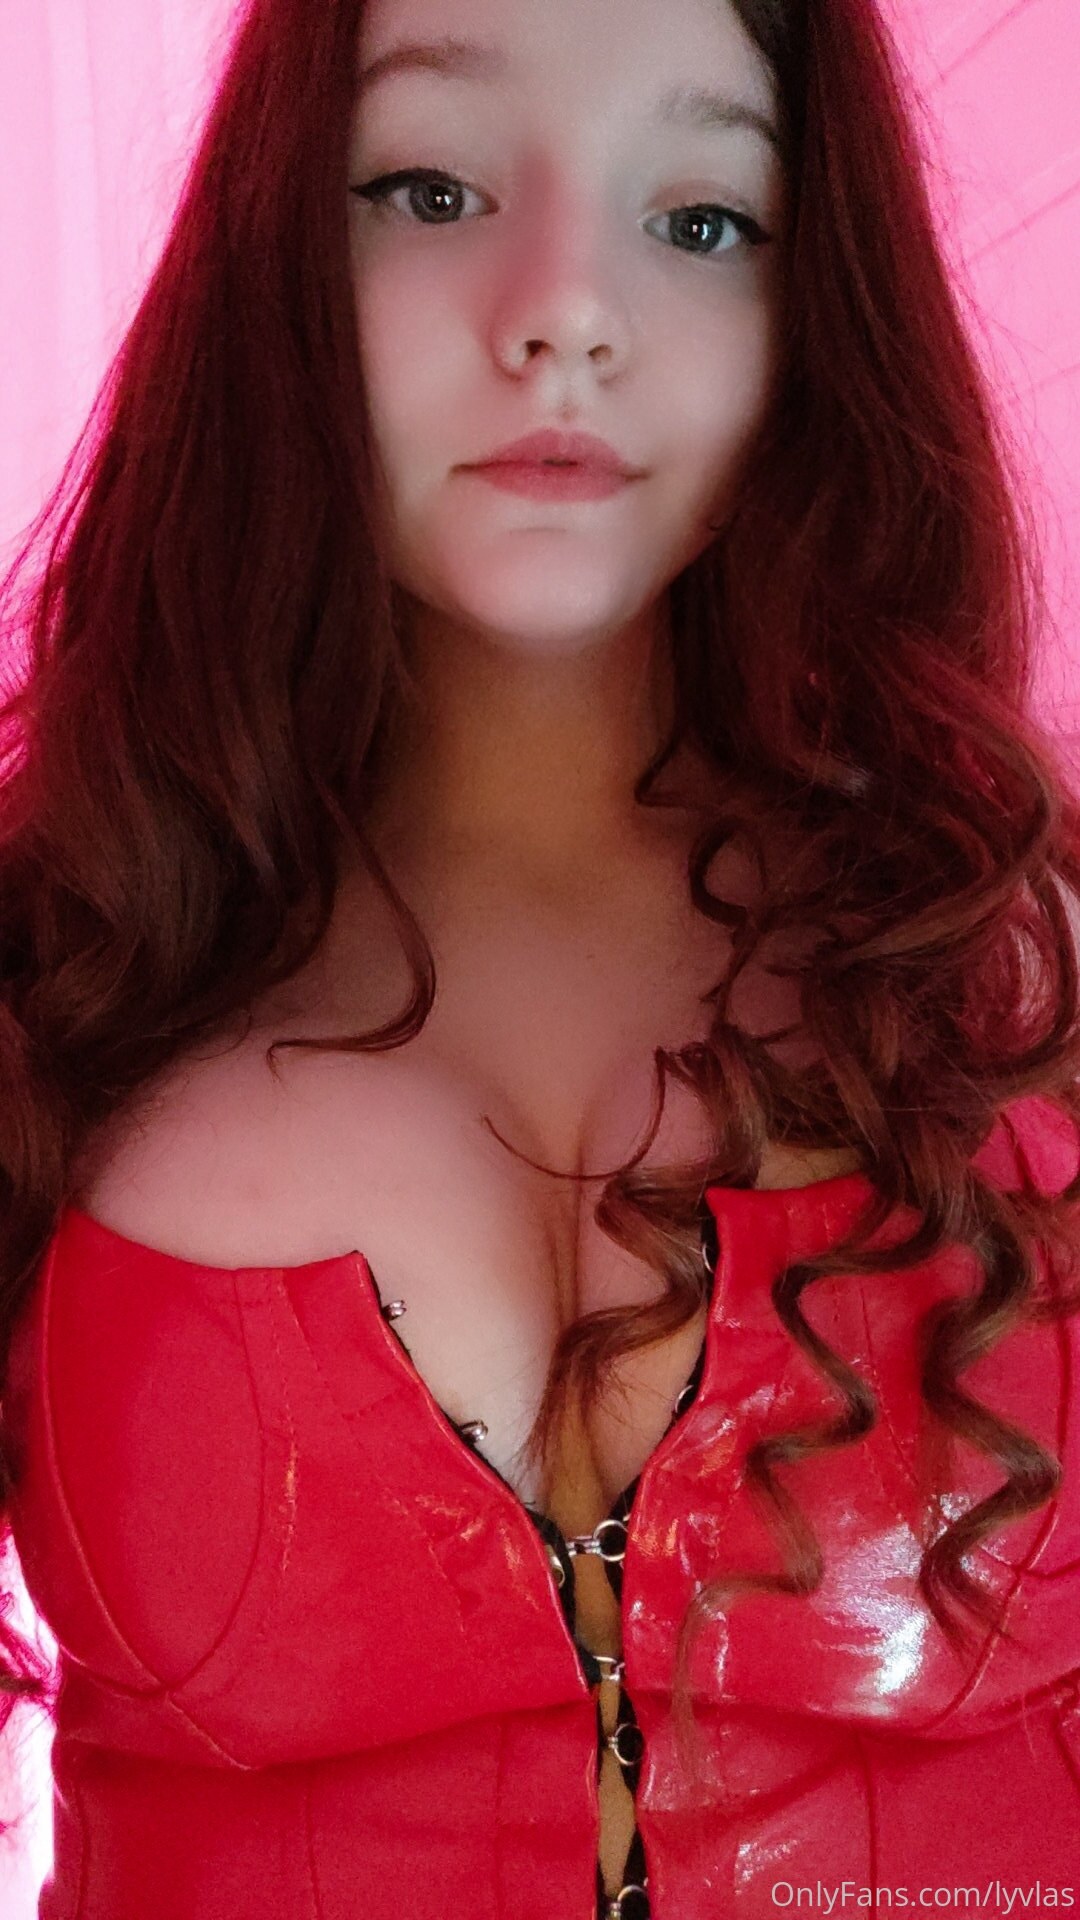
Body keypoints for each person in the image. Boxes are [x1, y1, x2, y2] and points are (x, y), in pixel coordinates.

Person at [0, 0, 1079, 1913]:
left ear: (818, 302)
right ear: (277, 246)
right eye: (432, 189)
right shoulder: (55, 959)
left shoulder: (1028, 960)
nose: (564, 310)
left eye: (703, 218)